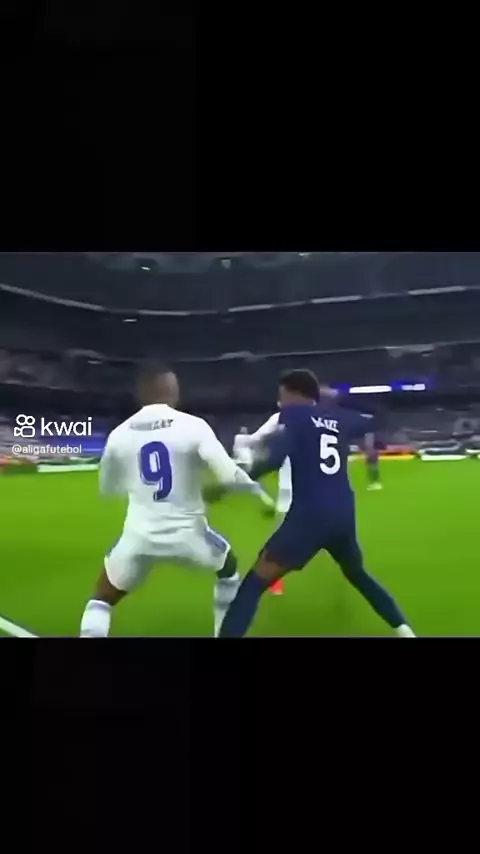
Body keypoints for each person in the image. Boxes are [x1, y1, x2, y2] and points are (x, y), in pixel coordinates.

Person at [210, 368, 415, 638]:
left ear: (294, 393)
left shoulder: (293, 416)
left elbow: (273, 459)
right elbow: (382, 416)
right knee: (358, 575)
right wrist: (342, 397)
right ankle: (405, 631)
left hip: (308, 518)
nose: (281, 402)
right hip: (342, 516)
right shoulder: (338, 417)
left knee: (253, 585)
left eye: (282, 395)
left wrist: (230, 485)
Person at [79, 364, 271, 638]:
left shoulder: (119, 434)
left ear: (141, 394)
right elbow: (229, 475)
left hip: (139, 537)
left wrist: (138, 485)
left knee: (102, 598)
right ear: (171, 390)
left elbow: (107, 488)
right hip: (190, 536)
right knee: (228, 568)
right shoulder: (193, 426)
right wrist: (256, 492)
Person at [232, 412, 292, 596]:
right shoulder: (282, 417)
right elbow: (258, 438)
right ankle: (272, 579)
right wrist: (244, 442)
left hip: (309, 490)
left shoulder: (313, 418)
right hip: (292, 491)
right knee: (282, 540)